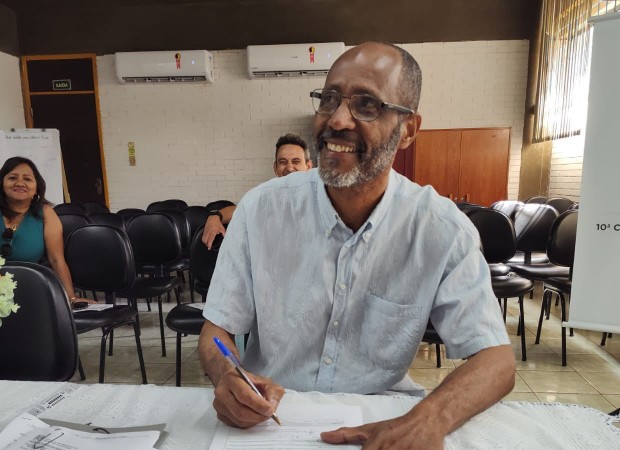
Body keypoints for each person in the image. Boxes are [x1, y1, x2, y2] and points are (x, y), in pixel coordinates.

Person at [199, 42, 514, 449]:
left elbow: (497, 360)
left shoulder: (440, 229)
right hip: (270, 422)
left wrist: (431, 417)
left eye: (367, 105)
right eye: (329, 99)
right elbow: (217, 330)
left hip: (381, 420)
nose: (338, 119)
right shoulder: (261, 211)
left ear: (409, 130)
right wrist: (227, 376)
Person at [0, 157, 94, 306]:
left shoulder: (46, 213)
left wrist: (71, 298)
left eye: (27, 179)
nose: (20, 183)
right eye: (12, 178)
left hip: (27, 285)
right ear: (2, 184)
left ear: (36, 188)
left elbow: (57, 260)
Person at [200, 133, 312, 249]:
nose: (289, 168)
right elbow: (241, 209)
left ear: (308, 166)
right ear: (275, 168)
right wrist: (215, 216)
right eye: (283, 162)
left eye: (296, 161)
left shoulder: (320, 198)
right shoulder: (267, 198)